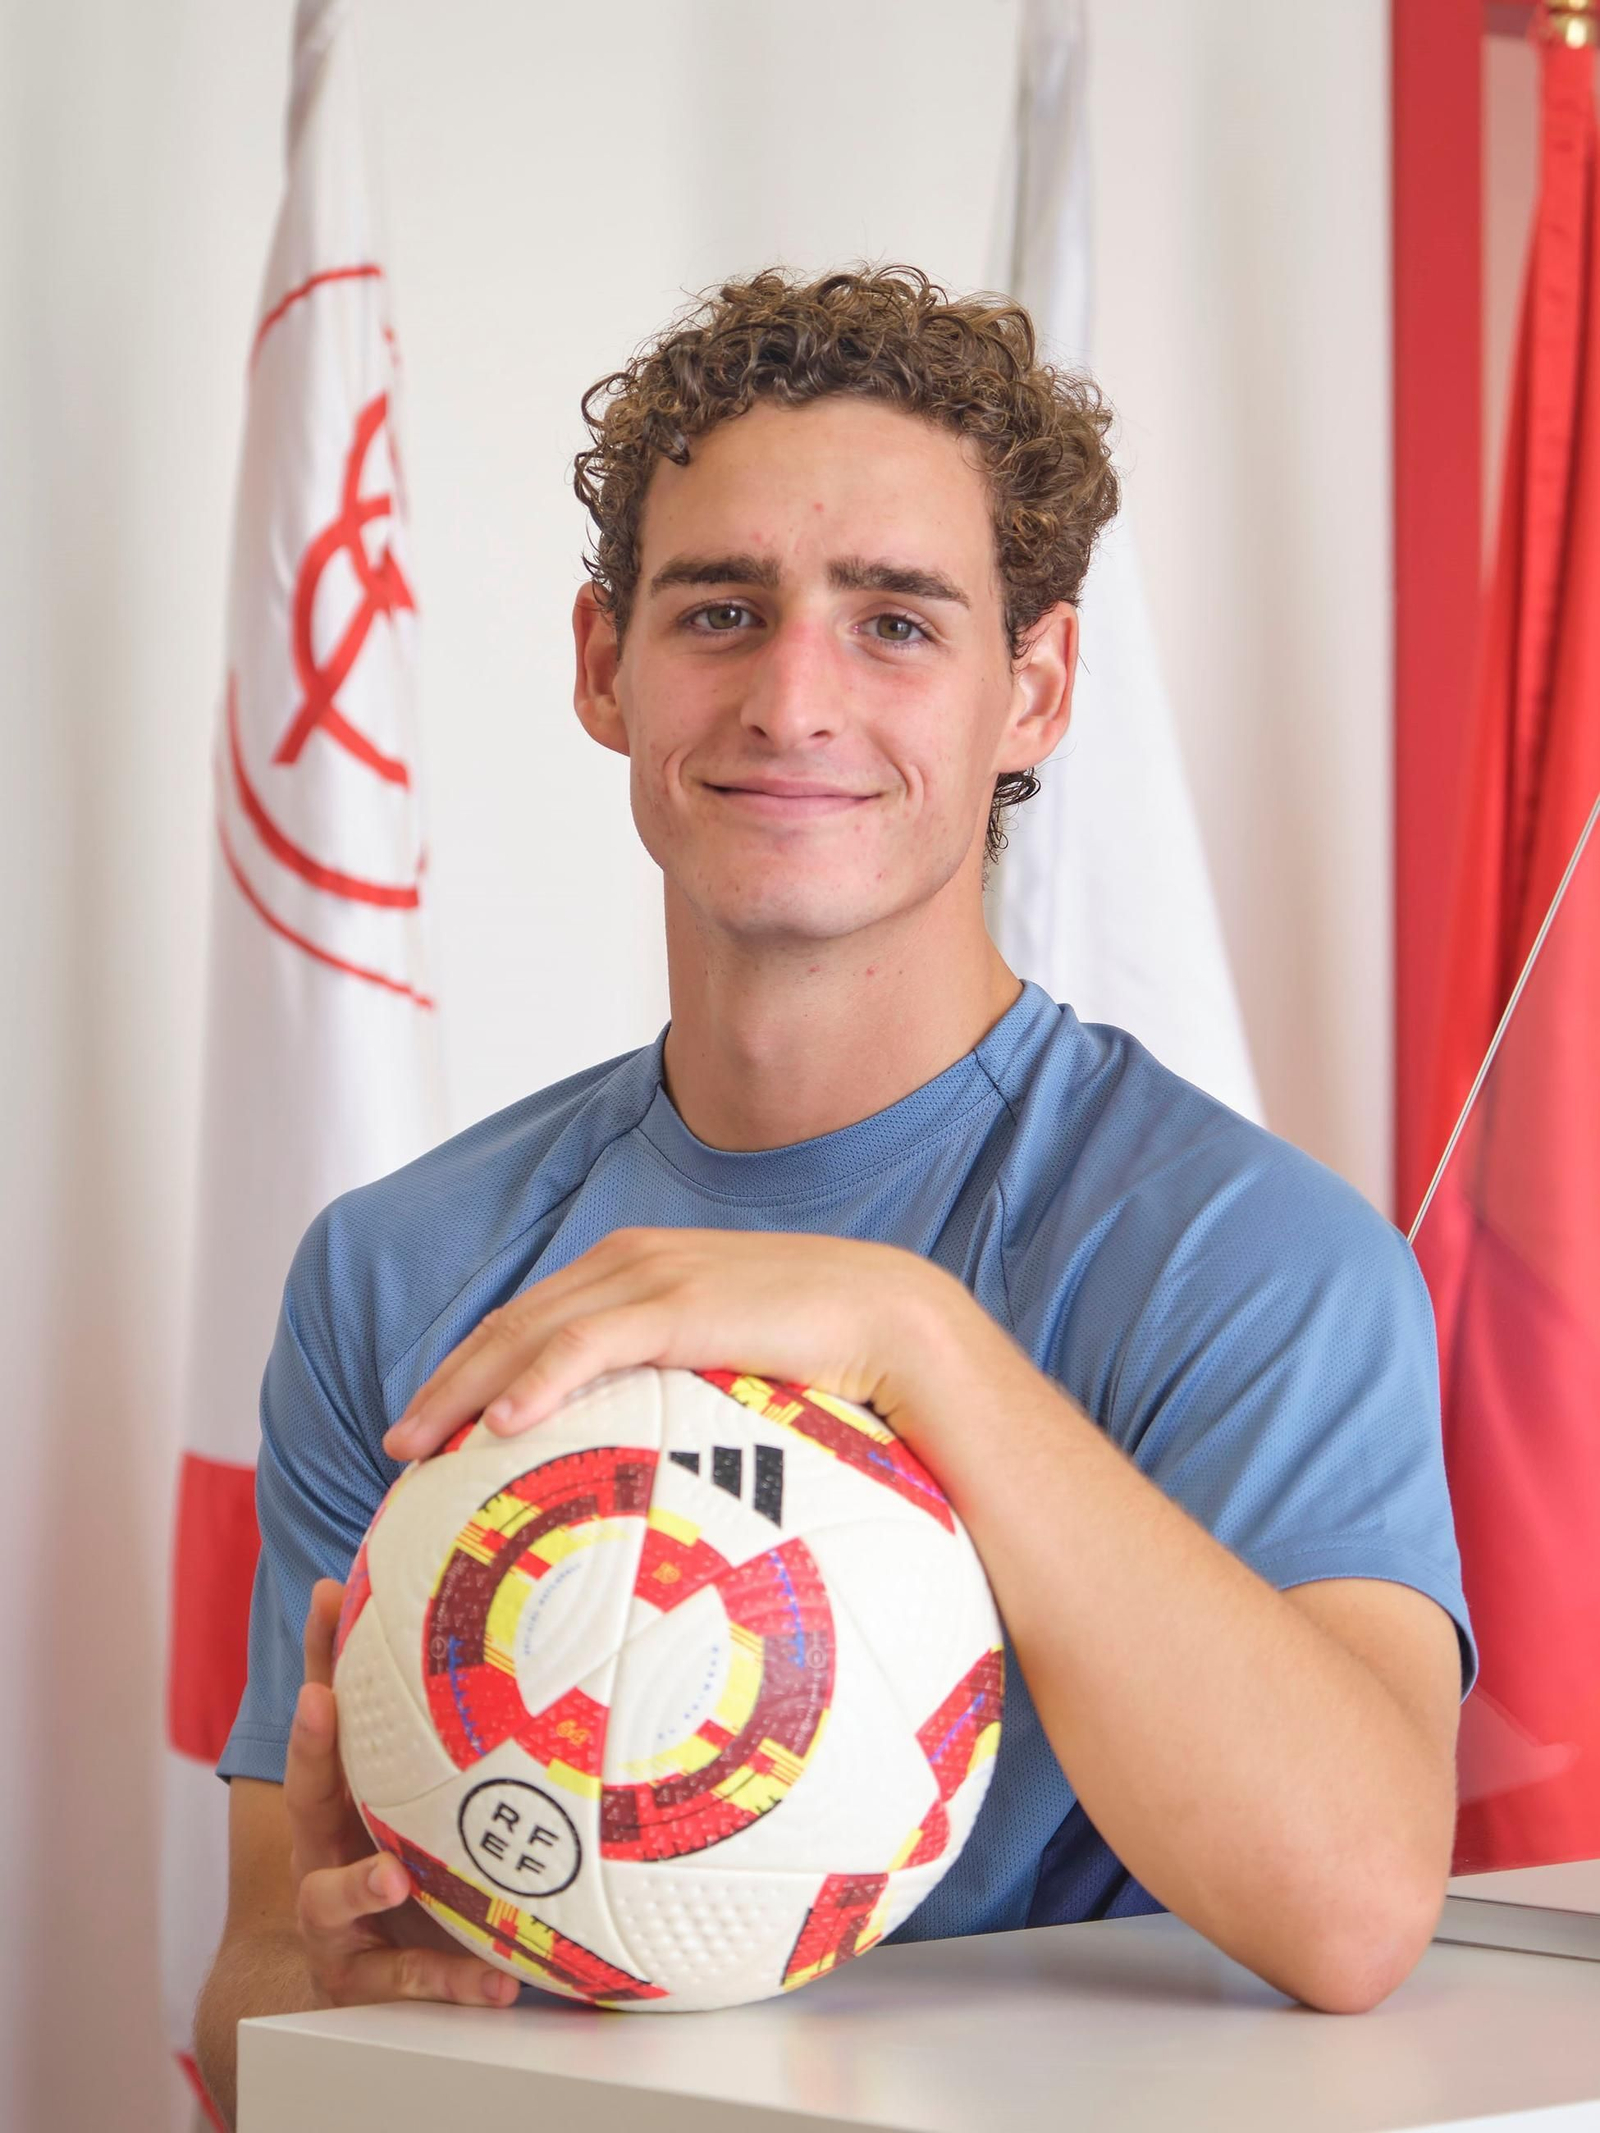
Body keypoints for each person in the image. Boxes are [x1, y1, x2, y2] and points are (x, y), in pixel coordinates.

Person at [193, 263, 1475, 2123]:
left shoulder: (1248, 1257)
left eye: (896, 622)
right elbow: (243, 2000)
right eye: (723, 609)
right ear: (602, 667)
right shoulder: (402, 1263)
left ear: (1031, 690)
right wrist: (357, 1981)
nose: (795, 697)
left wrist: (908, 1332)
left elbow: (1357, 1909)